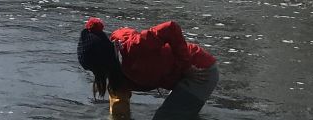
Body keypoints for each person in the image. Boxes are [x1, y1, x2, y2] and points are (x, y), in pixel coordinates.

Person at [77, 17, 219, 119]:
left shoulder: (134, 47)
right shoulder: (115, 72)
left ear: (105, 61)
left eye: (98, 69)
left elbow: (171, 28)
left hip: (199, 72)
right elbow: (119, 107)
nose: (99, 75)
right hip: (179, 78)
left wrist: (187, 67)